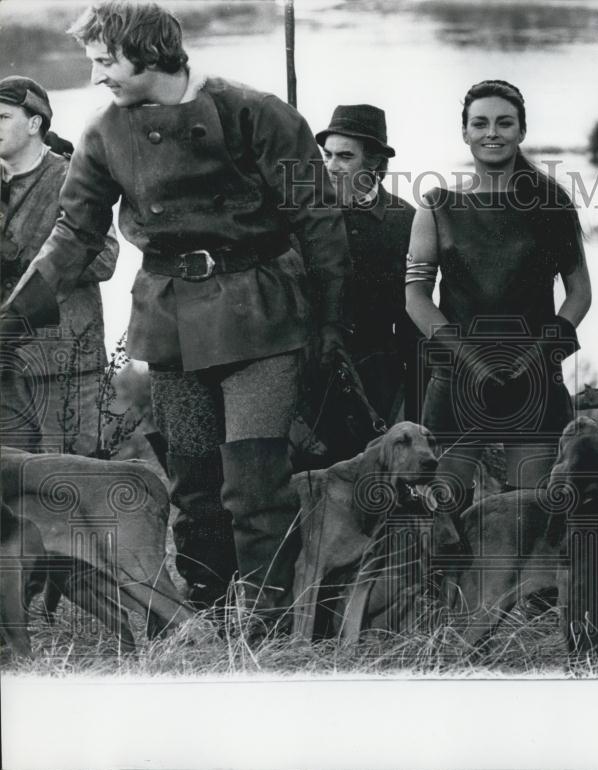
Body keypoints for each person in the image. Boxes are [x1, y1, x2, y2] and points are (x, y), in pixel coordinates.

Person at [0, 1, 351, 623]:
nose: (96, 75)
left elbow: (318, 219)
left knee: (255, 485)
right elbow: (73, 234)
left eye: (105, 60)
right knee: (194, 487)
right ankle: (210, 620)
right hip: (171, 328)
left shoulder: (258, 113)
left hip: (261, 319)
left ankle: (275, 627)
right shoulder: (104, 130)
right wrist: (10, 315)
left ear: (147, 52)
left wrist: (329, 324)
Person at [405, 79, 591, 514]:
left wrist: (538, 357)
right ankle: (445, 586)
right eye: (480, 123)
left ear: (521, 131)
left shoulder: (552, 205)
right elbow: (415, 297)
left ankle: (526, 586)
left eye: (504, 123)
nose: (492, 132)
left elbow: (579, 294)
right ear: (465, 132)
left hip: (533, 379)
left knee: (530, 512)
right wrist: (467, 357)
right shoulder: (436, 205)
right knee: (440, 512)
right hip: (456, 377)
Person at [0, 75, 119, 457]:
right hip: (7, 363)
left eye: (2, 117)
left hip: (63, 360)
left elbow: (105, 258)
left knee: (69, 478)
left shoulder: (71, 178)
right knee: (12, 488)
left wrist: (28, 256)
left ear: (34, 123)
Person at [311, 104, 419, 459]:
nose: (331, 165)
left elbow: (411, 315)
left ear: (373, 162)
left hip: (379, 368)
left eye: (345, 156)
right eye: (327, 155)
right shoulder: (306, 215)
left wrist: (413, 391)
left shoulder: (405, 220)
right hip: (315, 367)